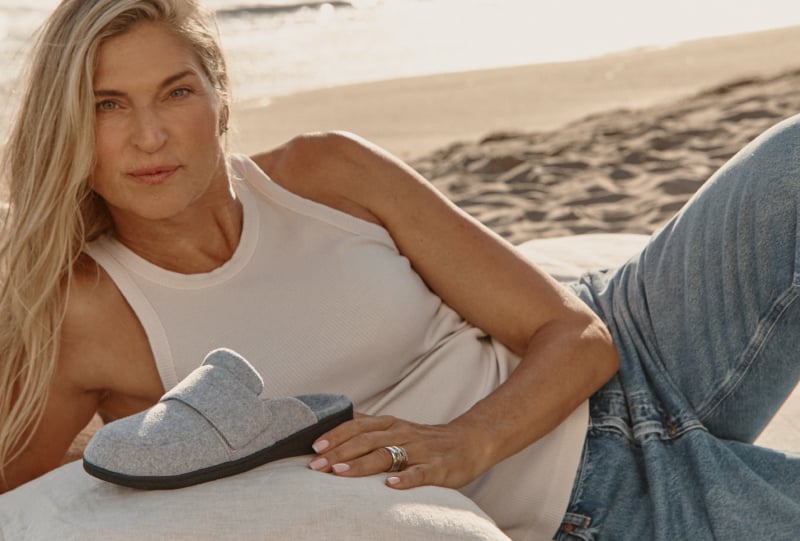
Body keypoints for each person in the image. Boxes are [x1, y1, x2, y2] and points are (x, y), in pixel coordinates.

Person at [0, 0, 797, 539]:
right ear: (68, 126)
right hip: (589, 498)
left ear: (219, 95)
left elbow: (578, 334)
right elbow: (26, 500)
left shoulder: (324, 173)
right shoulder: (86, 315)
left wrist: (465, 441)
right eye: (108, 104)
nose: (149, 136)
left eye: (175, 92)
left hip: (636, 344)